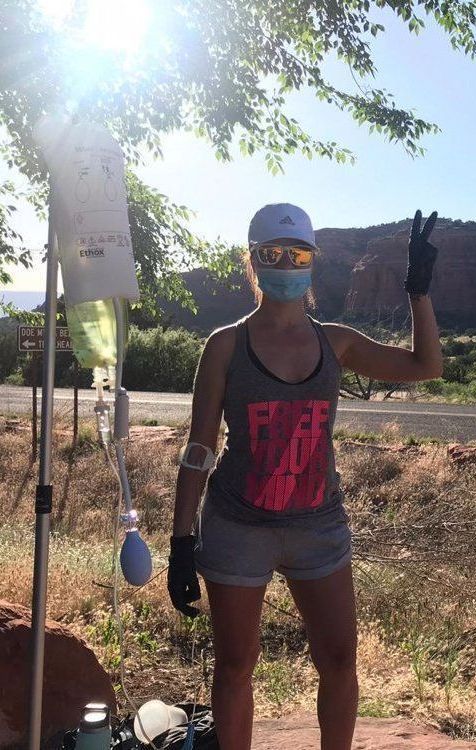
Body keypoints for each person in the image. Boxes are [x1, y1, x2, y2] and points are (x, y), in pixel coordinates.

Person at [167, 203, 443, 750]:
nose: (286, 265)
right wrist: (180, 540)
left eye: (297, 254)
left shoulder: (335, 342)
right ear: (253, 262)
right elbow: (201, 446)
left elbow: (425, 367)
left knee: (340, 660)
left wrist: (418, 292)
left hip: (319, 526)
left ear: (313, 261)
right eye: (273, 254)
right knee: (236, 666)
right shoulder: (225, 345)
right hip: (237, 526)